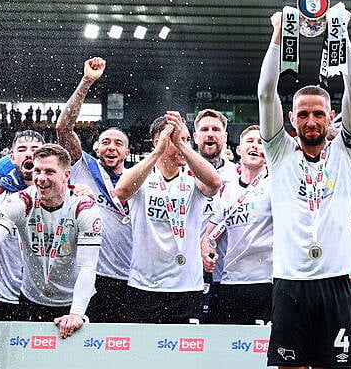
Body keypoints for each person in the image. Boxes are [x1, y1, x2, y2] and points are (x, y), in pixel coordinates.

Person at [258, 7, 351, 368]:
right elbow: (265, 93)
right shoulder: (278, 151)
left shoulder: (347, 153)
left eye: (319, 113)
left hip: (334, 280)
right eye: (303, 114)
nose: (311, 120)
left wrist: (342, 33)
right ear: (292, 118)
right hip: (289, 280)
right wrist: (277, 35)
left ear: (331, 116)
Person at [0, 144, 102, 339]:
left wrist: (76, 313)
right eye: (37, 171)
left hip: (75, 301)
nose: (41, 178)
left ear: (66, 175)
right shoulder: (21, 202)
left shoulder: (84, 208)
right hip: (31, 301)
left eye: (49, 171)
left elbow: (88, 265)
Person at [114, 112, 220, 324]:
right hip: (144, 286)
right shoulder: (143, 177)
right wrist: (158, 151)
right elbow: (122, 191)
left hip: (187, 288)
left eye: (188, 139)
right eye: (177, 139)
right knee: (143, 354)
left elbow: (214, 183)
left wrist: (181, 144)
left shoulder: (193, 180)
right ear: (158, 141)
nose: (184, 144)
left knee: (185, 355)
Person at [56, 57, 134, 323]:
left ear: (127, 151)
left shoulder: (139, 180)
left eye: (118, 143)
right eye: (105, 142)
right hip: (92, 275)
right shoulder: (84, 167)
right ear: (97, 148)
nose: (111, 147)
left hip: (133, 276)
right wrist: (87, 81)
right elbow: (63, 128)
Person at [201, 125, 272, 324]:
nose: (255, 146)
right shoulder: (227, 188)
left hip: (265, 280)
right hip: (230, 280)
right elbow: (210, 234)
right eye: (250, 141)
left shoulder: (275, 185)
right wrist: (206, 250)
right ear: (239, 150)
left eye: (261, 142)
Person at [0, 130, 44, 321]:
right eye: (22, 149)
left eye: (35, 149)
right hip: (2, 296)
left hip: (43, 297)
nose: (29, 154)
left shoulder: (58, 194)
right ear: (12, 158)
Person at [193, 108, 239, 322]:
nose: (210, 134)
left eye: (216, 129)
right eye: (204, 129)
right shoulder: (181, 172)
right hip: (188, 271)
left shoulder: (239, 176)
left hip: (225, 272)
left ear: (225, 137)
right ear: (195, 137)